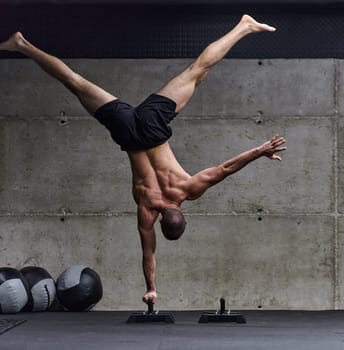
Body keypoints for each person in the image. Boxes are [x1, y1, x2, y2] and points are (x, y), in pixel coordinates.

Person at [0, 14, 286, 305]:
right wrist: (151, 288)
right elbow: (148, 252)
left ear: (183, 216)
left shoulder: (188, 189)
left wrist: (260, 150)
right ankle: (23, 45)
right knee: (74, 82)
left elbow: (226, 168)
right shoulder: (147, 209)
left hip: (154, 127)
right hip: (128, 135)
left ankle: (243, 26)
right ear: (161, 224)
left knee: (197, 70)